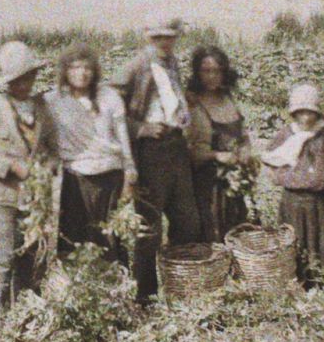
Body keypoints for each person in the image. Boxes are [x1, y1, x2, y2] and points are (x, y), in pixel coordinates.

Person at [115, 15, 202, 304]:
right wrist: (139, 128)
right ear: (147, 37)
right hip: (151, 150)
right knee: (149, 226)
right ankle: (146, 295)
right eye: (158, 37)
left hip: (176, 147)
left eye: (170, 36)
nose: (165, 42)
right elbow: (110, 107)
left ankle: (182, 289)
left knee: (185, 218)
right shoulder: (136, 66)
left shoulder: (173, 63)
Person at [0, 41, 61, 316]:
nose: (24, 84)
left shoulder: (42, 108)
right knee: (2, 259)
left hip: (35, 198)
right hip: (4, 197)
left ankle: (27, 312)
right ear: (9, 82)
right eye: (18, 80)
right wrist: (12, 166)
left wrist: (47, 167)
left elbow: (54, 150)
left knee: (33, 256)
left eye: (28, 78)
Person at [258, 83, 324, 285]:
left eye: (310, 112)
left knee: (319, 240)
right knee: (292, 240)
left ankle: (323, 280)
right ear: (294, 113)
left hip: (317, 199)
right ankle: (295, 279)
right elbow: (268, 158)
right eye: (300, 112)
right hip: (291, 199)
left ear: (316, 112)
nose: (305, 117)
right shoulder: (287, 133)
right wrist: (276, 176)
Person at [45, 44, 135, 261]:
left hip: (110, 176)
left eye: (87, 68)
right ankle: (77, 290)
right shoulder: (53, 100)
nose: (81, 73)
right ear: (65, 71)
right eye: (75, 68)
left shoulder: (109, 97)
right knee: (74, 240)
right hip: (75, 178)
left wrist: (131, 171)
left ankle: (116, 289)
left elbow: (123, 137)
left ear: (95, 71)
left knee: (110, 238)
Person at [186, 44, 257, 244]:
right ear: (197, 73)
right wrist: (217, 156)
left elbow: (243, 135)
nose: (211, 76)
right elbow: (189, 152)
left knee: (238, 230)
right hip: (208, 185)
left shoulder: (228, 100)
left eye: (216, 71)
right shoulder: (192, 104)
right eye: (206, 71)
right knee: (212, 234)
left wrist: (245, 150)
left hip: (234, 183)